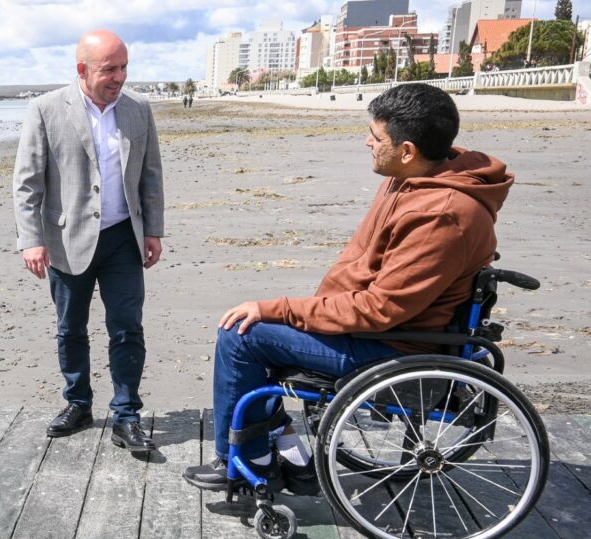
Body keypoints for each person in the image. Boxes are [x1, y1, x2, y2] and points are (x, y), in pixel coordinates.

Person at [183, 83, 513, 494]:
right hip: (383, 328)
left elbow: (380, 309)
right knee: (260, 331)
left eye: (376, 138)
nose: (367, 143)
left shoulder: (442, 214)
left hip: (396, 346)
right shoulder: (414, 177)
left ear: (408, 150)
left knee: (240, 335)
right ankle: (285, 450)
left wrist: (282, 309)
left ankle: (244, 462)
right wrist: (313, 308)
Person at [12, 29, 165, 452]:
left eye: (124, 67)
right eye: (109, 69)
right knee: (70, 329)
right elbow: (27, 183)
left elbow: (151, 174)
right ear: (82, 69)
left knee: (127, 329)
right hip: (65, 239)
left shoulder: (137, 108)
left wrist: (152, 229)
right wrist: (31, 239)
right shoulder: (45, 109)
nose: (120, 76)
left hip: (122, 239)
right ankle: (78, 403)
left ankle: (126, 415)